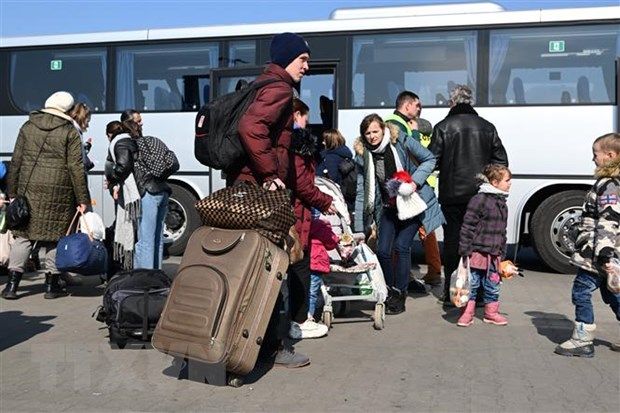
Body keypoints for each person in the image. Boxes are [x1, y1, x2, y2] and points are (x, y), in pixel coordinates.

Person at [232, 32, 311, 368]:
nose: (306, 67)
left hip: (247, 187)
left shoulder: (263, 83)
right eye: (302, 59)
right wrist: (269, 174)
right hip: (261, 193)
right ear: (286, 58)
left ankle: (251, 341)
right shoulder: (279, 88)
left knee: (253, 268)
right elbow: (251, 127)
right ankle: (274, 348)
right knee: (273, 269)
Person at [1, 91, 89, 300]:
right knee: (55, 239)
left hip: (29, 189)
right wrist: (82, 199)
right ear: (67, 109)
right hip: (60, 191)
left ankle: (11, 286)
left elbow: (16, 161)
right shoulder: (69, 131)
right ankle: (51, 286)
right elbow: (75, 167)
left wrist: (12, 191)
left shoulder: (28, 126)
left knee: (23, 236)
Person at [353, 114, 444, 314]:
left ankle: (400, 293)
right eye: (367, 133)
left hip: (412, 204)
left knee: (402, 246)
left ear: (383, 129)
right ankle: (389, 290)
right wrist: (359, 228)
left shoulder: (400, 140)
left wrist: (414, 182)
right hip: (388, 208)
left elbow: (429, 159)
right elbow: (361, 191)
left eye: (375, 131)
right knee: (383, 251)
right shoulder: (363, 156)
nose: (372, 136)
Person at [429, 84, 508, 307]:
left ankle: (452, 293)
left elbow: (432, 161)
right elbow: (502, 161)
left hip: (452, 196)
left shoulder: (443, 127)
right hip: (482, 196)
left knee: (453, 242)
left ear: (452, 103)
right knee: (480, 244)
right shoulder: (487, 127)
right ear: (470, 102)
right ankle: (479, 294)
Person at [555, 133, 620, 357]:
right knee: (612, 293)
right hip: (602, 252)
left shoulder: (609, 185)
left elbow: (608, 221)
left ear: (610, 155)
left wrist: (604, 254)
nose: (593, 158)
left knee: (581, 291)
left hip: (596, 254)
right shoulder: (611, 182)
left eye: (596, 154)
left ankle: (582, 339)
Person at [287, 98, 335, 340]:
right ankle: (299, 321)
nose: (308, 122)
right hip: (296, 214)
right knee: (300, 266)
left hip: (294, 212)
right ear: (296, 115)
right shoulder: (297, 145)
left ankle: (296, 319)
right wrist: (326, 201)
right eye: (306, 117)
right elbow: (303, 185)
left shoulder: (286, 143)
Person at [387, 91, 442, 289]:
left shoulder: (400, 123)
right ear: (407, 105)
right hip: (409, 187)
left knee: (413, 232)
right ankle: (410, 276)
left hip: (412, 186)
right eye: (417, 105)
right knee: (416, 232)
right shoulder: (399, 125)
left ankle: (409, 275)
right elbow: (415, 153)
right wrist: (416, 132)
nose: (419, 109)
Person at [456, 164, 512, 327]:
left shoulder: (502, 203)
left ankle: (491, 313)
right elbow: (468, 226)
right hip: (476, 253)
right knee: (471, 284)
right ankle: (467, 313)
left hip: (493, 255)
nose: (510, 183)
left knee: (493, 285)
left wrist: (502, 253)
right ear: (495, 182)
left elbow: (502, 231)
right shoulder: (479, 200)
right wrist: (465, 249)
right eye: (507, 180)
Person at [127, 118, 179, 270]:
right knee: (157, 239)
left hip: (147, 193)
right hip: (162, 191)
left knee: (145, 240)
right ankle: (156, 274)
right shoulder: (153, 140)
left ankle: (145, 278)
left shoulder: (133, 147)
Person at [104, 120, 140, 271]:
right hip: (125, 190)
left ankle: (123, 267)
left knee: (126, 225)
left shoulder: (120, 143)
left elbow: (123, 166)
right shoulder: (126, 141)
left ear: (109, 134)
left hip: (128, 193)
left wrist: (112, 178)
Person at [307, 208, 340, 324]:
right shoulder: (321, 226)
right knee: (312, 291)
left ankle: (296, 316)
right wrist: (337, 238)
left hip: (302, 261)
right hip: (316, 262)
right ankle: (309, 316)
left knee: (301, 290)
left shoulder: (300, 225)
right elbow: (331, 243)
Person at [68, 102, 95, 176]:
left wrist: (85, 147)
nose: (88, 125)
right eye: (87, 121)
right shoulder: (75, 132)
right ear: (82, 118)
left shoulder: (72, 130)